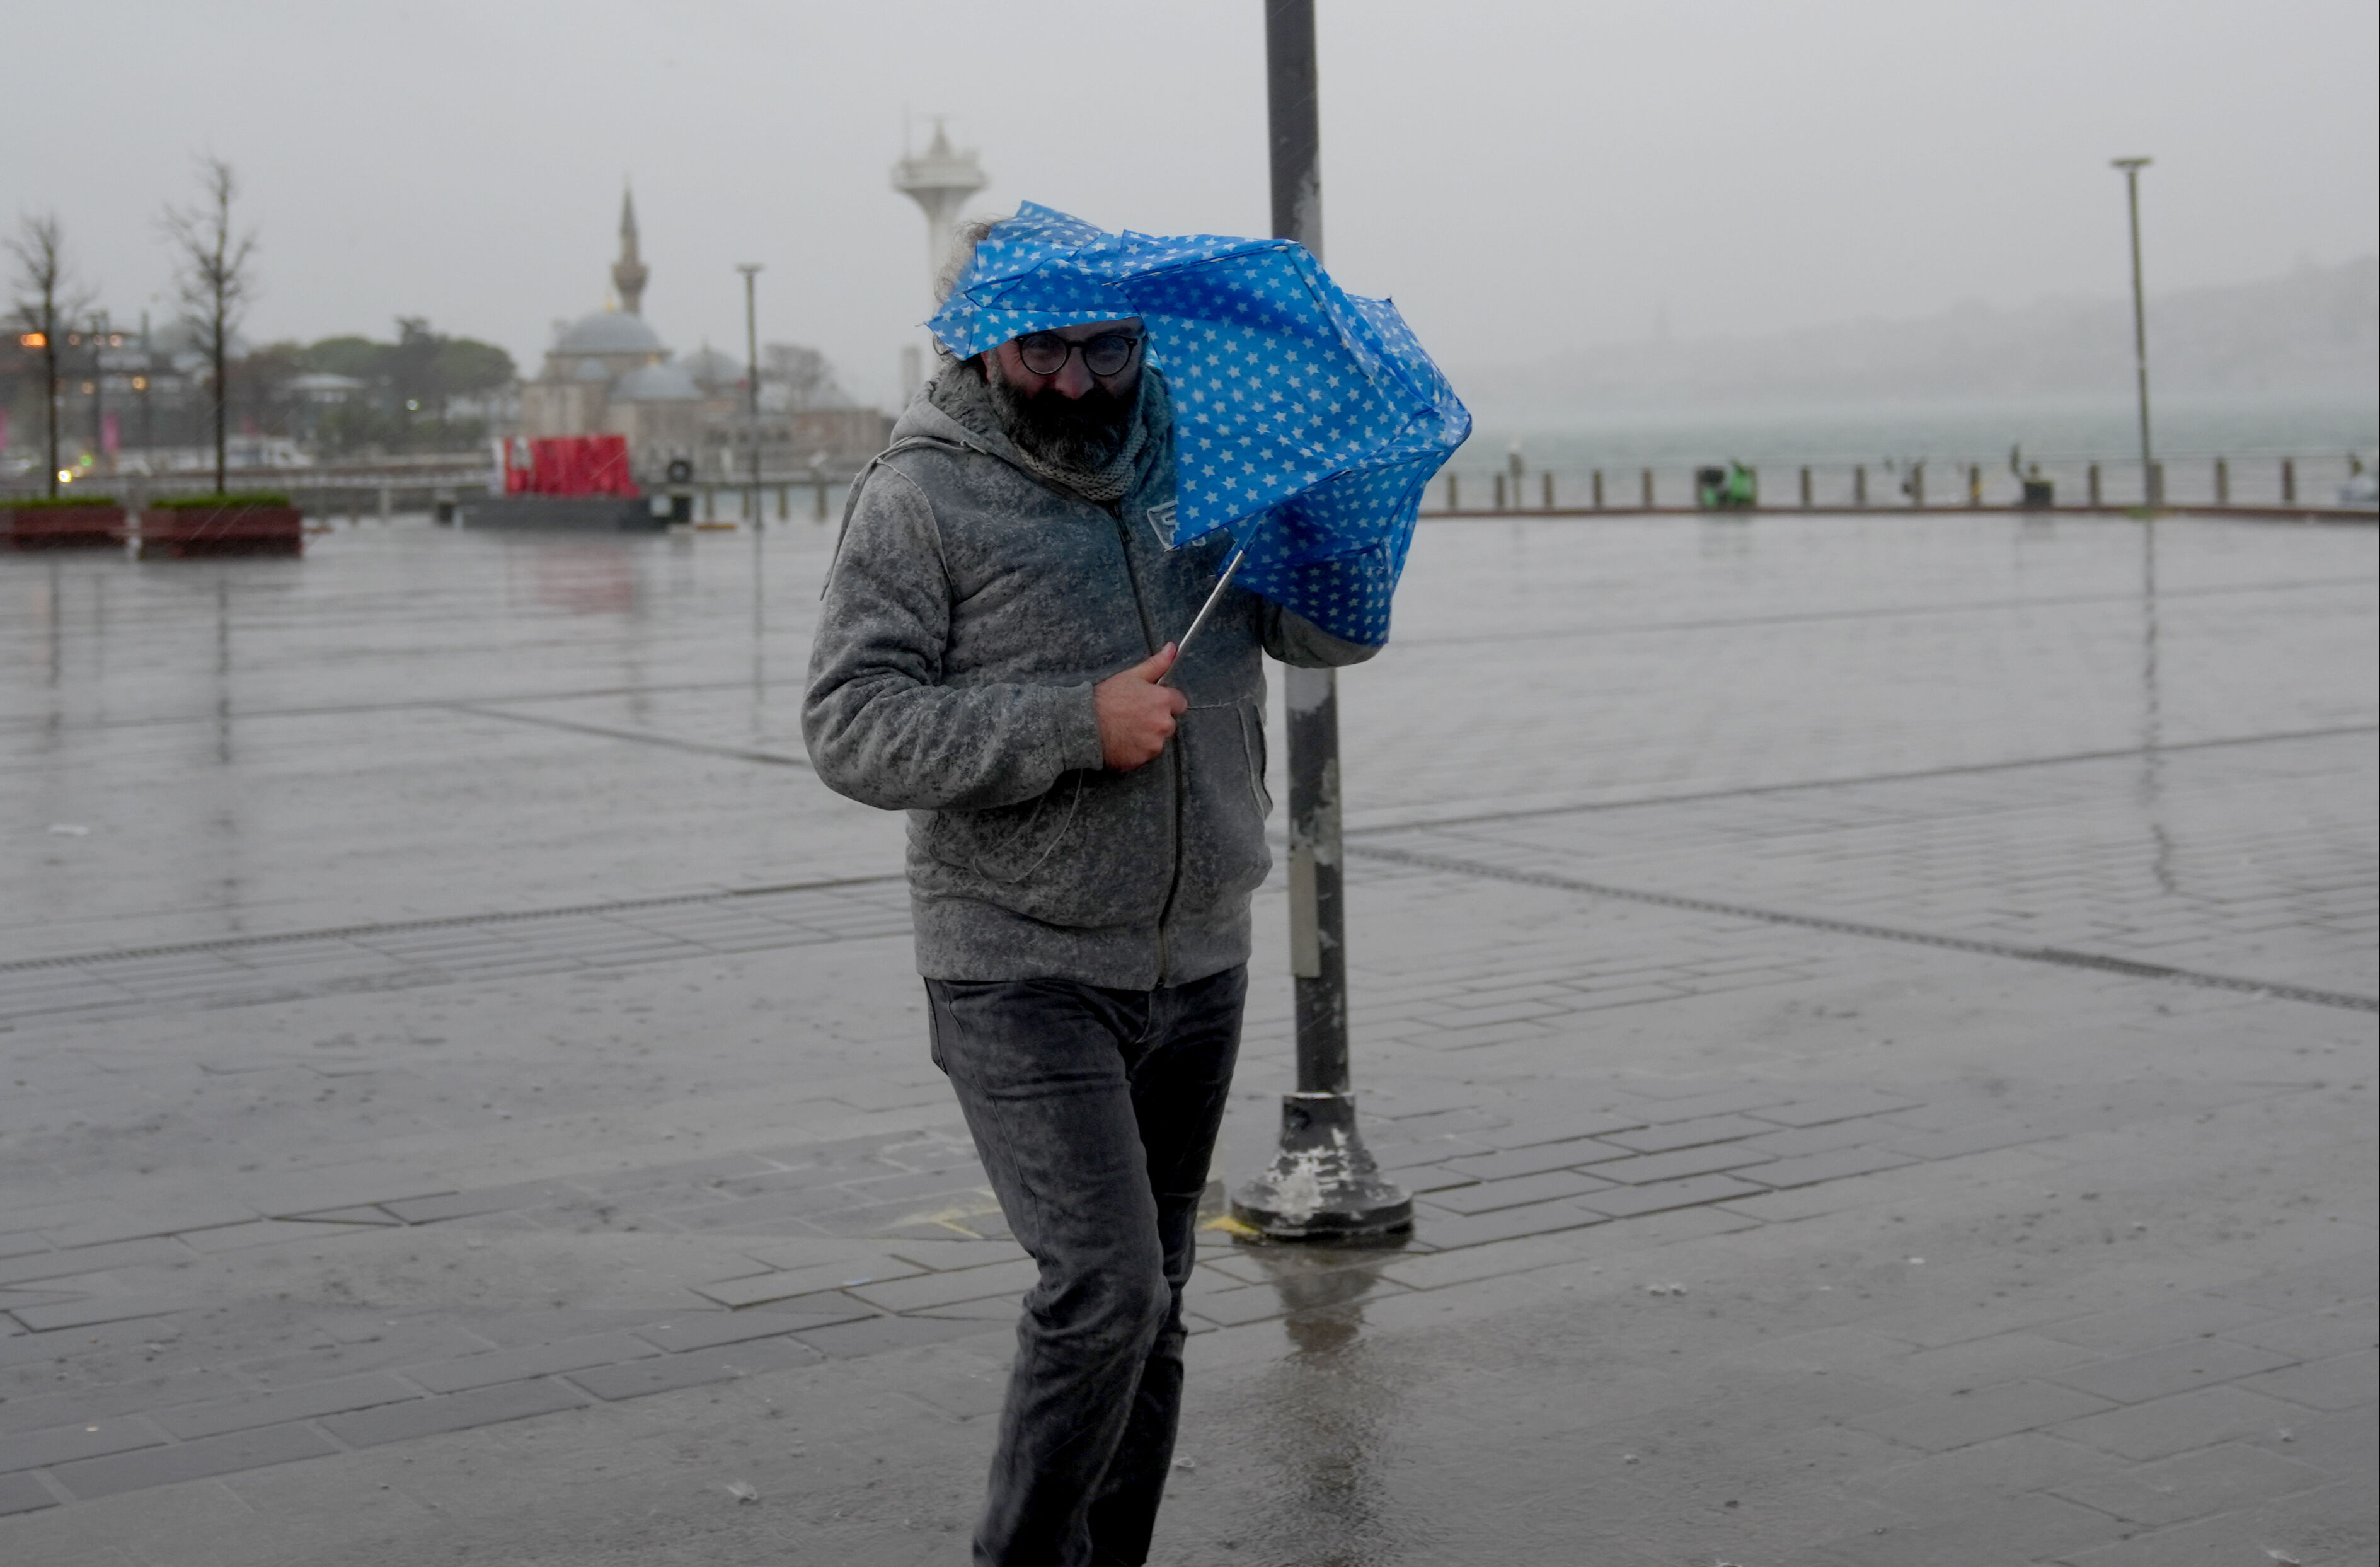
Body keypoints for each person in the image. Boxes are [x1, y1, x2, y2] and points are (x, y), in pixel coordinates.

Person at [803, 263, 1377, 1564]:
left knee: (1157, 1298)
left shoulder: (1205, 462)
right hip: (1015, 962)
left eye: (1104, 352)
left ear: (1139, 340)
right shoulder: (921, 492)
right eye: (1040, 352)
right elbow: (849, 725)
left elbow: (1318, 640)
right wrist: (1076, 723)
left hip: (1199, 956)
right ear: (978, 343)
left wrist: (1338, 529)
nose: (1074, 382)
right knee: (1105, 1288)